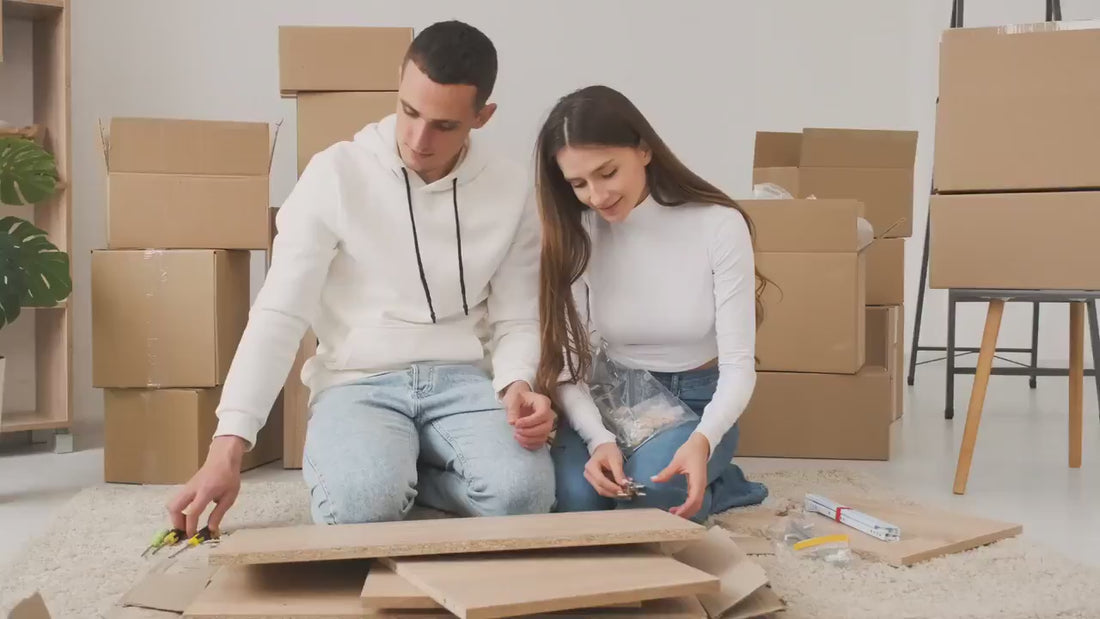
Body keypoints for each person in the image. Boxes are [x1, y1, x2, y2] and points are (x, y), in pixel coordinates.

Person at [166, 21, 557, 536]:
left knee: (526, 499)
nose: (418, 139)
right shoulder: (334, 174)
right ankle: (386, 470)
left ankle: (412, 475)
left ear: (482, 117)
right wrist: (228, 445)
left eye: (444, 125)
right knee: (360, 509)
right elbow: (280, 313)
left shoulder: (511, 188)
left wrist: (517, 382)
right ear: (398, 83)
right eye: (409, 111)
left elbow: (517, 317)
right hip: (358, 383)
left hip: (464, 382)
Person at [533, 85, 769, 523]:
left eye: (607, 173)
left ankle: (721, 481)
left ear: (643, 150)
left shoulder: (718, 225)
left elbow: (739, 366)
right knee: (575, 504)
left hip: (696, 400)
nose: (597, 196)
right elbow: (569, 368)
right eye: (578, 184)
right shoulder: (579, 232)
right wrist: (599, 440)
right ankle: (669, 474)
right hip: (611, 394)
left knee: (648, 498)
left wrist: (703, 440)